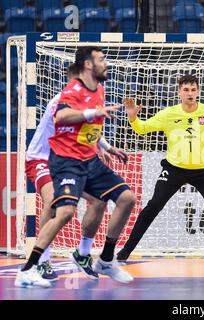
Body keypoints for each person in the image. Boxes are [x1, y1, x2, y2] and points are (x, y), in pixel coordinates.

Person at [15, 46, 136, 288]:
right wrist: (93, 116)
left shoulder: (97, 90)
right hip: (43, 158)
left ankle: (84, 253)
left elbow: (88, 124)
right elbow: (70, 117)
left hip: (80, 157)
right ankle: (41, 262)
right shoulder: (63, 99)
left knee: (102, 201)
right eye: (101, 60)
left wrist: (106, 147)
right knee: (55, 203)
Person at [116, 74, 204, 264]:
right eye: (186, 90)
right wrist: (133, 117)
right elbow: (142, 128)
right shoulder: (169, 114)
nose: (190, 93)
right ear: (179, 92)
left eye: (193, 90)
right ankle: (126, 250)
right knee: (153, 206)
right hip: (174, 168)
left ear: (198, 91)